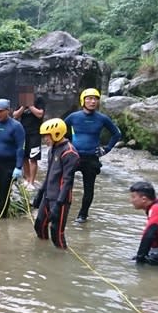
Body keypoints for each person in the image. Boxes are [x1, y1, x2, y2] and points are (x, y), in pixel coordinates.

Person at [63, 88, 122, 223]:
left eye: (95, 99)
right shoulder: (73, 117)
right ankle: (63, 210)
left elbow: (116, 134)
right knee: (66, 185)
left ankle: (83, 215)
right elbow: (60, 130)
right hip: (74, 156)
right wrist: (66, 146)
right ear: (83, 100)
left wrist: (106, 149)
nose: (92, 101)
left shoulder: (102, 118)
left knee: (88, 188)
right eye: (89, 98)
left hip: (91, 158)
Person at [32, 118, 79, 249]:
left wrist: (58, 205)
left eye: (47, 136)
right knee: (39, 225)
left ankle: (61, 258)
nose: (45, 139)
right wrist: (40, 194)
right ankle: (42, 251)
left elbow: (67, 181)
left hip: (60, 199)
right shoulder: (52, 149)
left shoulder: (70, 152)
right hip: (48, 195)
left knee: (56, 233)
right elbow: (49, 174)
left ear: (57, 133)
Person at [13, 95, 46, 189]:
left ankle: (32, 181)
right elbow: (15, 115)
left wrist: (30, 105)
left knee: (33, 158)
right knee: (24, 157)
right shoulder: (22, 100)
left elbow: (40, 114)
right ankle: (27, 179)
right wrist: (23, 106)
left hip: (35, 133)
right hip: (23, 132)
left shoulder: (39, 99)